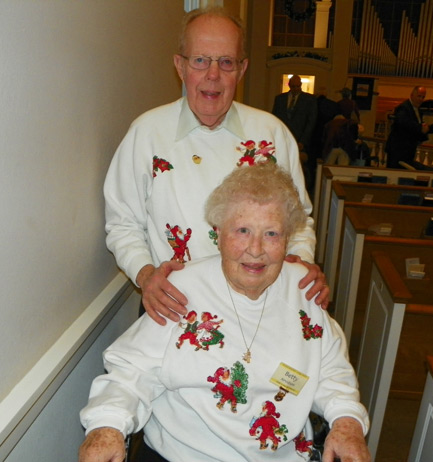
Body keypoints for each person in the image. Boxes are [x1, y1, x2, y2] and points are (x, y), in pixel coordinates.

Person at [79, 163, 370, 462]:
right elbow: (130, 371)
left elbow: (330, 371)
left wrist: (347, 422)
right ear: (218, 233)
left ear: (287, 240)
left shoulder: (304, 289)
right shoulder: (180, 290)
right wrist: (107, 426)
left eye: (271, 233)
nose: (255, 250)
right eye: (242, 231)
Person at [104, 7, 329, 326]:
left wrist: (300, 265)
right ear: (180, 66)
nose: (213, 75)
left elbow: (299, 221)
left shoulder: (272, 134)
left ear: (242, 69)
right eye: (200, 60)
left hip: (263, 308)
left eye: (226, 62)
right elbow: (122, 222)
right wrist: (146, 275)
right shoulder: (147, 133)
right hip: (174, 307)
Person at [272, 75, 318, 157]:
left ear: (301, 85)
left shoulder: (310, 99)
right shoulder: (280, 99)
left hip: (300, 138)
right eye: (293, 86)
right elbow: (274, 118)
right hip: (282, 136)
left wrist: (303, 141)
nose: (296, 89)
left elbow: (311, 122)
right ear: (289, 85)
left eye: (298, 86)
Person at [385, 86, 429, 169]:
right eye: (419, 96)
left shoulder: (418, 110)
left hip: (408, 150)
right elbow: (403, 123)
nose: (421, 99)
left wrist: (423, 132)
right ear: (412, 95)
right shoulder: (404, 107)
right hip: (398, 150)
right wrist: (421, 128)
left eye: (423, 97)